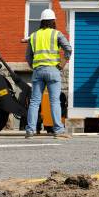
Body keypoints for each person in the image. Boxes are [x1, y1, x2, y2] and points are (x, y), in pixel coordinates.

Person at [25, 8, 72, 139]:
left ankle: (30, 130)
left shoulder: (33, 36)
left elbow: (28, 56)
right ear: (53, 21)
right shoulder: (56, 34)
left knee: (34, 102)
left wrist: (34, 66)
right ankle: (58, 130)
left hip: (38, 71)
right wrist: (62, 64)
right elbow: (68, 48)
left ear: (41, 21)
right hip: (53, 71)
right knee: (54, 101)